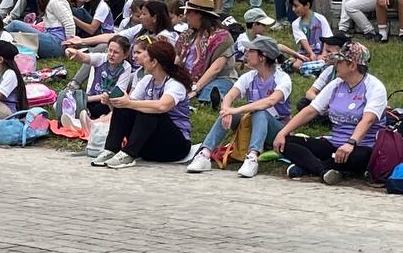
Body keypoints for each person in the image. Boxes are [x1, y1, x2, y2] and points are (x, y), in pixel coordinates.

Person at [276, 41, 387, 184]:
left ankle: (309, 167)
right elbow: (311, 110)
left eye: (339, 62)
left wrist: (350, 143)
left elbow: (368, 120)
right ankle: (323, 170)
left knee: (359, 157)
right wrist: (283, 132)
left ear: (352, 66)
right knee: (286, 142)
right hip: (334, 144)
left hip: (360, 146)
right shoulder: (336, 84)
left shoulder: (374, 87)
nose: (335, 65)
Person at [189, 42, 289, 178]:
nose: (246, 54)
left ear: (263, 57)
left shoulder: (282, 78)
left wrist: (235, 110)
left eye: (250, 51)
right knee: (229, 112)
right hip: (252, 123)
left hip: (278, 129)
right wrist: (226, 110)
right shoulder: (249, 76)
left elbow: (269, 101)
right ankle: (205, 153)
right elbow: (229, 96)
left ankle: (252, 157)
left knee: (260, 112)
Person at [93, 36, 194, 168]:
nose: (141, 61)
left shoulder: (175, 84)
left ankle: (128, 154)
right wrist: (113, 103)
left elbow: (162, 106)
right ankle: (111, 149)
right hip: (148, 146)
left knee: (149, 109)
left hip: (175, 147)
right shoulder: (146, 80)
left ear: (154, 62)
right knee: (127, 106)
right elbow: (128, 108)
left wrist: (129, 103)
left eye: (145, 57)